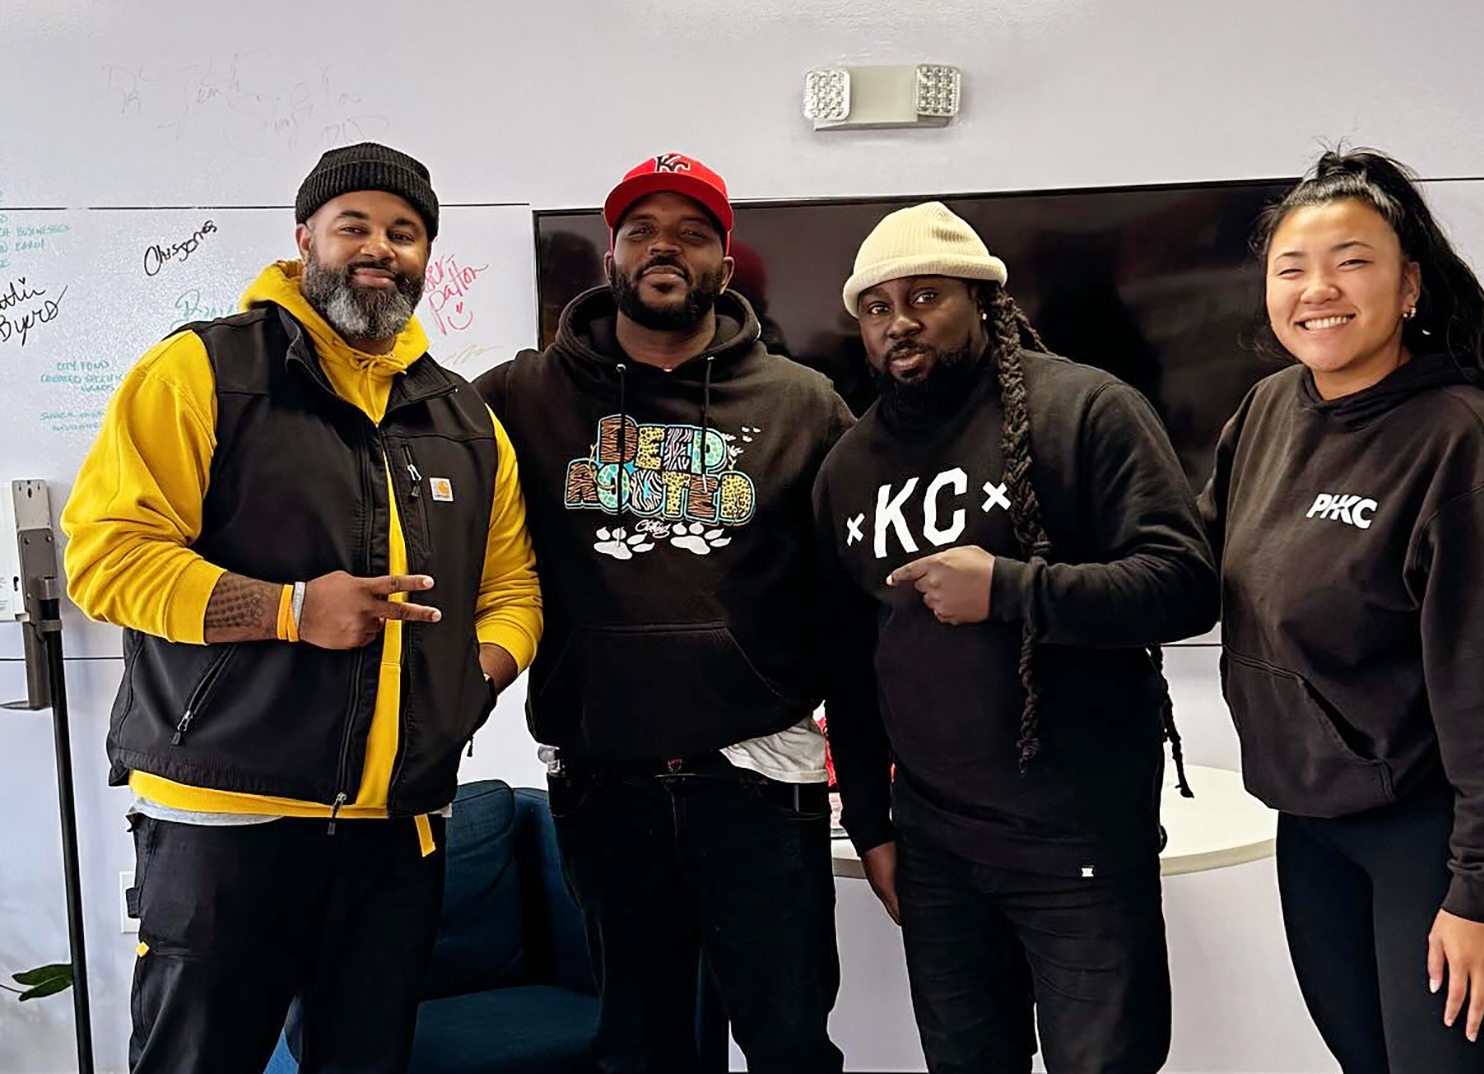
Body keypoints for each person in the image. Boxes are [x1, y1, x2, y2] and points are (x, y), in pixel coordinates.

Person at [60, 142, 543, 1074]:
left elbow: (512, 587)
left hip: (395, 832)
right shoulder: (203, 370)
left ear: (424, 256)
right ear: (304, 239)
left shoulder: (464, 418)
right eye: (352, 225)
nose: (379, 247)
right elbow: (107, 558)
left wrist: (467, 685)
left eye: (404, 232)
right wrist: (288, 610)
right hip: (222, 825)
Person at [814, 201, 1218, 1073]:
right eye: (877, 308)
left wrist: (1009, 589)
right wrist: (873, 824)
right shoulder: (848, 467)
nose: (898, 322)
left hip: (1079, 840)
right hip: (935, 849)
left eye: (925, 296)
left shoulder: (1086, 409)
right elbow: (849, 664)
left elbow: (1185, 584)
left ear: (983, 299)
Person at [475, 152, 848, 1073]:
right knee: (640, 1049)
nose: (663, 248)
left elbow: (855, 587)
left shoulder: (801, 403)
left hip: (760, 780)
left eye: (691, 233)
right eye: (641, 230)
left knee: (791, 1044)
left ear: (725, 259)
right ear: (611, 255)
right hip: (605, 782)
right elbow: (414, 483)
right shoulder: (522, 395)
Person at [1199, 148, 1484, 1073]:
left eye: (1351, 262)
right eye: (1291, 268)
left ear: (1408, 287)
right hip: (1313, 826)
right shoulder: (1268, 411)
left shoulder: (1465, 444)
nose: (1317, 289)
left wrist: (1483, 893)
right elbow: (1191, 567)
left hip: (1432, 838)